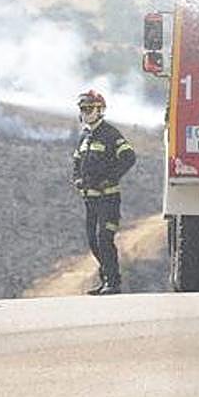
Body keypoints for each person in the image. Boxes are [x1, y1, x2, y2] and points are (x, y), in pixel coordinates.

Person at [72, 90, 136, 295]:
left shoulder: (110, 134)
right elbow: (76, 161)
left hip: (108, 197)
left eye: (88, 108)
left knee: (104, 238)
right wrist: (77, 179)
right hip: (90, 199)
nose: (85, 113)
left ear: (100, 110)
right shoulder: (85, 136)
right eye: (82, 109)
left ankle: (113, 282)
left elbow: (128, 157)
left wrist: (111, 177)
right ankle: (106, 278)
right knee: (93, 240)